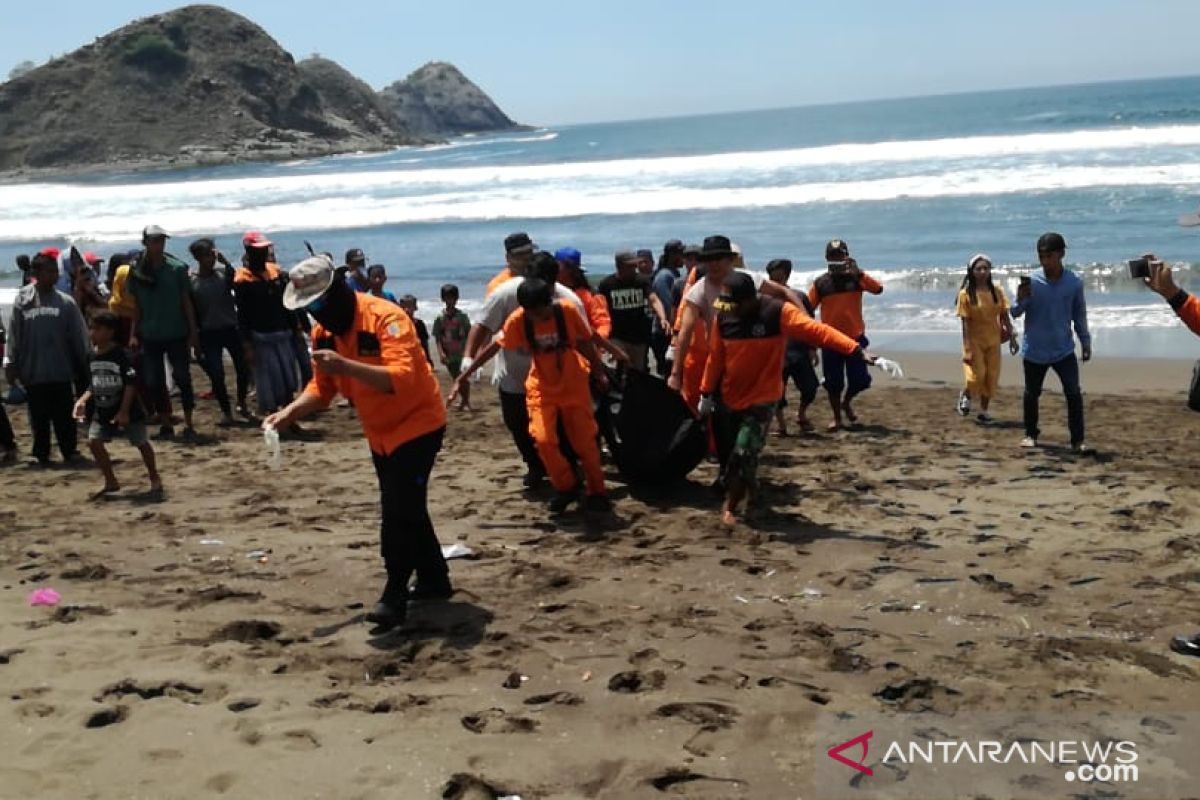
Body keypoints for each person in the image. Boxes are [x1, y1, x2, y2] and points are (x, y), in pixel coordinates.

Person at [266, 257, 450, 630]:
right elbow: (323, 387)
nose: (316, 315)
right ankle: (434, 578)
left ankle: (394, 593)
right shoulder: (323, 336)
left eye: (317, 305)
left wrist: (347, 366)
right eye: (308, 309)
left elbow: (400, 377)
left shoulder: (386, 318)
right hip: (379, 433)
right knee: (408, 506)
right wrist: (290, 413)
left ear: (337, 292)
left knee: (397, 510)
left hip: (418, 423)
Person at [700, 272, 874, 524]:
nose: (730, 311)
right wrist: (706, 393)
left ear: (750, 300)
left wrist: (855, 349)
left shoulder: (776, 312)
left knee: (743, 450)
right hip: (730, 397)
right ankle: (754, 494)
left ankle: (730, 506)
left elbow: (817, 331)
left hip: (764, 396)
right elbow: (715, 358)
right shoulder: (724, 319)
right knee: (741, 456)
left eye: (735, 306)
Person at [451, 278, 611, 514]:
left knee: (585, 442)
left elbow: (585, 342)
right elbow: (495, 347)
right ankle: (566, 486)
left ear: (550, 302)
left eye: (542, 312)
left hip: (573, 383)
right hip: (541, 387)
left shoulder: (566, 311)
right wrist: (465, 374)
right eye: (533, 314)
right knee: (543, 439)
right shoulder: (519, 321)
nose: (538, 318)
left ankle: (597, 491)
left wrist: (600, 372)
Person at [464, 251, 593, 487]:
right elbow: (484, 327)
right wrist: (468, 361)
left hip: (556, 381)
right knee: (518, 425)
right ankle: (535, 467)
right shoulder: (506, 295)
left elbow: (585, 339)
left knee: (560, 432)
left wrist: (598, 370)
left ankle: (568, 473)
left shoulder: (568, 302)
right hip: (514, 375)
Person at [4, 251, 90, 465]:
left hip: (61, 369)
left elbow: (79, 336)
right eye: (48, 272)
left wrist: (85, 361)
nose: (53, 276)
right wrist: (11, 362)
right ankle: (41, 453)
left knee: (63, 414)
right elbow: (14, 334)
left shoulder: (65, 302)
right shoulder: (24, 299)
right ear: (36, 273)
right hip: (33, 370)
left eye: (55, 272)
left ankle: (69, 450)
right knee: (38, 416)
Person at [1011, 232, 1091, 452]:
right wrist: (1021, 298)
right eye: (1041, 256)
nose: (1045, 261)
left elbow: (1079, 314)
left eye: (1049, 256)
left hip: (1063, 349)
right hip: (1034, 349)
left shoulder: (1073, 283)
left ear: (1061, 254)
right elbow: (1015, 312)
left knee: (1073, 393)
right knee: (1031, 393)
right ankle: (1030, 434)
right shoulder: (1032, 281)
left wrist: (1085, 341)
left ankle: (1077, 441)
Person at [72, 311, 162, 499]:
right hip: (102, 409)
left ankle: (154, 477)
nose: (92, 333)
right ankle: (110, 481)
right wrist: (82, 400)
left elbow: (131, 384)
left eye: (97, 329)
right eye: (91, 328)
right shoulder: (91, 356)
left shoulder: (122, 355)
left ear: (110, 332)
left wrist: (124, 411)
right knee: (93, 442)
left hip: (127, 409)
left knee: (141, 443)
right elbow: (94, 383)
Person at [127, 225, 201, 439]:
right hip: (150, 334)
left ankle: (188, 422)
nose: (159, 245)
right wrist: (133, 333)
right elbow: (137, 306)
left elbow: (187, 302)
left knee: (182, 377)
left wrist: (193, 332)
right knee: (154, 381)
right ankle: (166, 422)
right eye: (155, 241)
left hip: (176, 332)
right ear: (146, 243)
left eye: (161, 241)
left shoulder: (177, 269)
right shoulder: (137, 270)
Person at [807, 239, 884, 431]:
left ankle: (846, 402)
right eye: (833, 256)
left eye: (840, 255)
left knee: (861, 380)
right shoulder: (821, 283)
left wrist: (859, 273)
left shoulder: (856, 279)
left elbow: (878, 289)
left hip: (855, 338)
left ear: (847, 256)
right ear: (827, 258)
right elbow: (807, 309)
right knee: (834, 383)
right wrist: (811, 341)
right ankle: (837, 418)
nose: (837, 259)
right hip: (830, 339)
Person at [233, 231, 302, 425]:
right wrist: (246, 344)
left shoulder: (277, 274)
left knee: (288, 379)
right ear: (248, 251)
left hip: (282, 332)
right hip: (260, 337)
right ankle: (273, 419)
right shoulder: (243, 281)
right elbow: (243, 315)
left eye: (265, 249)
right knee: (268, 383)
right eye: (258, 250)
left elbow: (287, 302)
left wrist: (296, 326)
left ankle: (290, 419)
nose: (263, 253)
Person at [189, 238, 251, 424]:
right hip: (208, 332)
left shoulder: (223, 274)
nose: (211, 259)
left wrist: (226, 263)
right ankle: (226, 412)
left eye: (212, 254)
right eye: (207, 255)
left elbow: (238, 285)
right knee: (216, 374)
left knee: (243, 369)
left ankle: (241, 402)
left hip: (230, 328)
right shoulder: (192, 281)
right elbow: (191, 310)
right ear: (198, 258)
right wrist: (194, 338)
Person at [956, 254, 1017, 423]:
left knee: (991, 376)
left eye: (986, 268)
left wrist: (1011, 336)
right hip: (975, 340)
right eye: (978, 269)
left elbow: (1004, 315)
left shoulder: (997, 291)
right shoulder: (965, 294)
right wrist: (967, 348)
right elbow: (965, 322)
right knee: (977, 375)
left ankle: (984, 411)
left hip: (993, 339)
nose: (983, 272)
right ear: (971, 272)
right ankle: (966, 394)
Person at [765, 259, 821, 435]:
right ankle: (782, 425)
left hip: (798, 350)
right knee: (775, 394)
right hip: (774, 354)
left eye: (780, 278)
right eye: (773, 279)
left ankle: (801, 414)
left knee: (810, 387)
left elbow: (809, 324)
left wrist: (813, 348)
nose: (777, 283)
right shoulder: (764, 299)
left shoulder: (799, 297)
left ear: (787, 276)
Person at [596, 250, 670, 373]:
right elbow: (600, 309)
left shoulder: (641, 281)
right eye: (630, 266)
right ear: (619, 266)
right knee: (620, 368)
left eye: (635, 265)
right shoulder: (607, 285)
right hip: (617, 336)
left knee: (638, 372)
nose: (634, 268)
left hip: (638, 338)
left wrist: (662, 318)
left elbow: (654, 299)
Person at [556, 247, 612, 338]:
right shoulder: (551, 292)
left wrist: (594, 340)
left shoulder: (592, 295)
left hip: (586, 346)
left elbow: (603, 324)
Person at [433, 284, 472, 410]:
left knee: (463, 378)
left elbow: (470, 334)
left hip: (461, 353)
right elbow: (437, 337)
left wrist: (470, 352)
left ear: (457, 299)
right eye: (447, 298)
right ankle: (463, 401)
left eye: (452, 298)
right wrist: (441, 353)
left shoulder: (462, 317)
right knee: (455, 376)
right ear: (443, 299)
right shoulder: (440, 318)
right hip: (449, 354)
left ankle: (466, 401)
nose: (450, 301)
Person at [650, 240, 685, 375]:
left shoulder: (672, 274)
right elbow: (668, 304)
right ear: (673, 255)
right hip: (665, 332)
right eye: (681, 254)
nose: (683, 257)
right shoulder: (665, 276)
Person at [486, 232, 537, 297]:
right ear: (508, 258)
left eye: (529, 252)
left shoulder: (541, 274)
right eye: (520, 254)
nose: (527, 257)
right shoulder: (499, 285)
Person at [399, 295, 432, 364]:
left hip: (419, 358)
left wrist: (428, 359)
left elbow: (424, 343)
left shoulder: (420, 324)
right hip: (404, 359)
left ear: (415, 308)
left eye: (409, 306)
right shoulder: (395, 325)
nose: (406, 309)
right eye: (403, 307)